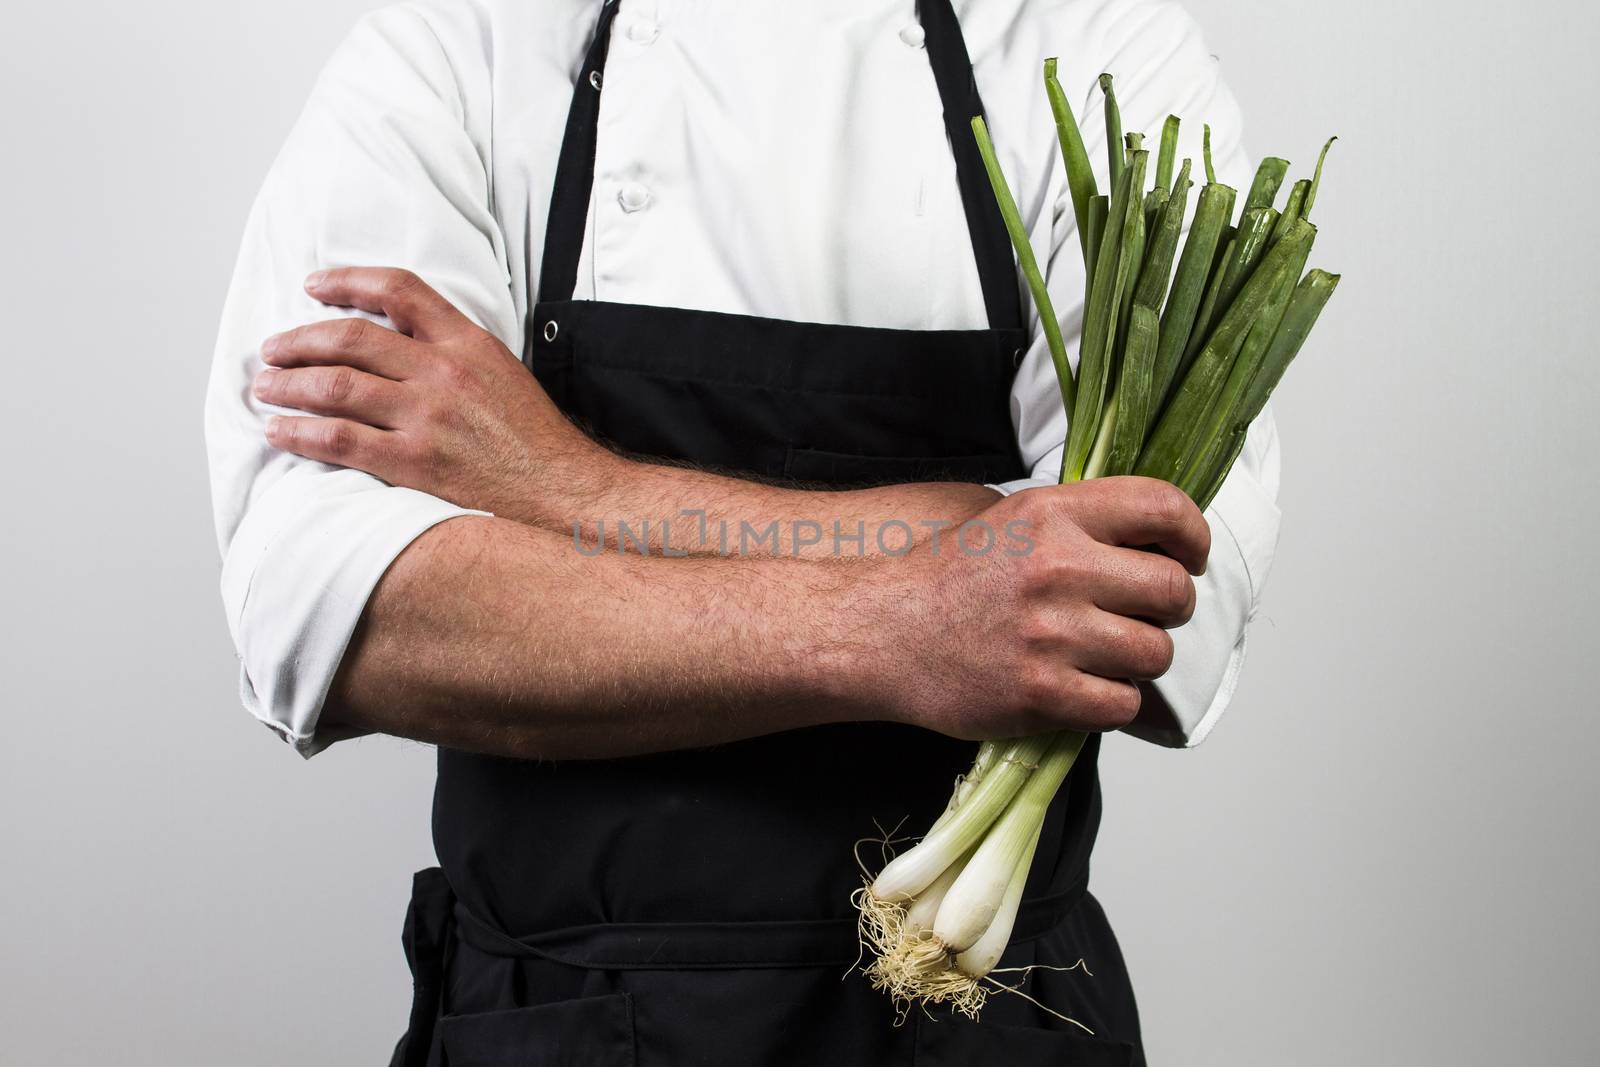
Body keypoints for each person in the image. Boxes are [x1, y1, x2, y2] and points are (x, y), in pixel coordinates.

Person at [205, 1, 1281, 1062]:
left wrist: (571, 487)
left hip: (984, 1013)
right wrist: (906, 618)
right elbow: (335, 614)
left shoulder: (1093, 40)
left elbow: (1149, 587)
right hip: (565, 1027)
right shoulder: (459, 43)